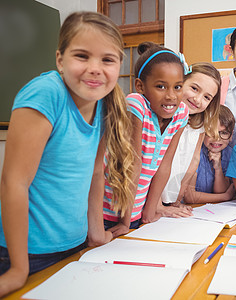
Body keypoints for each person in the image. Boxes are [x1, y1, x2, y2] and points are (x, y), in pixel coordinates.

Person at [0, 11, 135, 296]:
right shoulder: (45, 94)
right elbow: (14, 182)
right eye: (82, 56)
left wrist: (97, 235)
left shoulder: (104, 102)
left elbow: (96, 172)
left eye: (107, 59)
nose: (95, 68)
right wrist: (17, 270)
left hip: (74, 247)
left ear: (119, 64)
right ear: (60, 59)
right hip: (26, 254)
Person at [100, 42, 191, 231]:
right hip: (109, 211)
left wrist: (149, 213)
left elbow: (165, 164)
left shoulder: (181, 113)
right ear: (140, 86)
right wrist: (124, 222)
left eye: (178, 87)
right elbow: (134, 162)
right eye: (161, 86)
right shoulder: (137, 104)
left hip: (137, 212)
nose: (171, 96)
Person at [153, 62, 221, 214]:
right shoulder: (161, 120)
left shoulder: (199, 126)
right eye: (194, 88)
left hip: (170, 198)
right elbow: (152, 165)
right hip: (149, 199)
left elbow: (193, 161)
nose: (197, 99)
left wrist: (176, 201)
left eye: (207, 97)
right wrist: (158, 207)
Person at [184, 105, 236, 204]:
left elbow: (220, 190)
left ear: (231, 135)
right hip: (190, 207)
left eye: (224, 133)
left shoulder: (230, 154)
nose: (217, 138)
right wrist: (225, 197)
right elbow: (189, 196)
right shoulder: (194, 152)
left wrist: (218, 168)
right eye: (211, 132)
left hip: (212, 209)